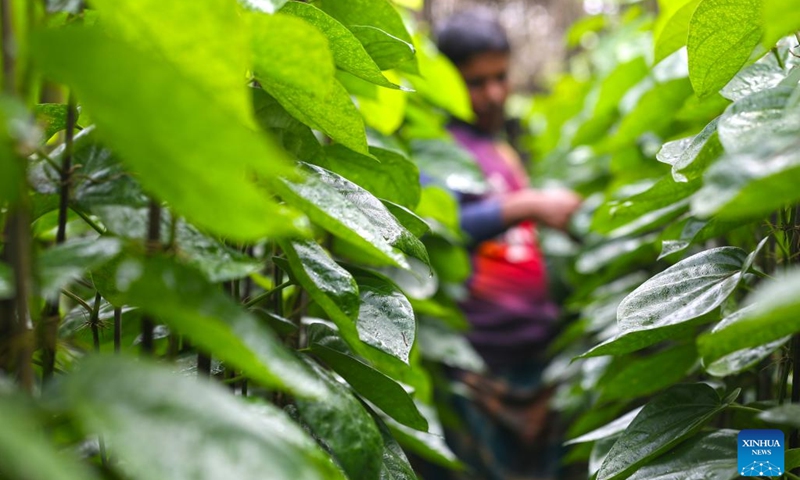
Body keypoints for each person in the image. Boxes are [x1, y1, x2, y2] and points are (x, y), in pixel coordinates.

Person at [434, 8, 582, 480]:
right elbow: (441, 225)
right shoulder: (439, 147)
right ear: (447, 80)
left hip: (533, 358)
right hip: (477, 364)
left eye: (500, 76)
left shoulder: (499, 149)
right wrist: (531, 204)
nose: (494, 93)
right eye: (477, 82)